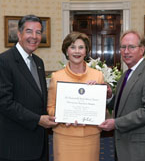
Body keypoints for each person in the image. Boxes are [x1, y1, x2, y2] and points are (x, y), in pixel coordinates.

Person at [0, 15, 57, 161]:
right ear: (19, 34)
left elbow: (40, 98)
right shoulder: (3, 61)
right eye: (29, 31)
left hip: (39, 143)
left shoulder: (38, 62)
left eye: (38, 32)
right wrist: (38, 119)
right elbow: (4, 103)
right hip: (16, 145)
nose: (34, 36)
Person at [99, 30, 145, 161]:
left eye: (131, 47)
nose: (126, 51)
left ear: (142, 49)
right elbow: (122, 105)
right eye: (123, 47)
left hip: (141, 148)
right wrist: (110, 96)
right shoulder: (126, 74)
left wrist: (116, 123)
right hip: (124, 144)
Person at [47, 32, 111, 161]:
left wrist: (101, 94)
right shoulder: (56, 77)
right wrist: (65, 116)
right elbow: (50, 108)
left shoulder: (97, 76)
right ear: (66, 51)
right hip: (64, 136)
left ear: (86, 51)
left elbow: (100, 110)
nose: (77, 51)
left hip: (90, 136)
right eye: (72, 47)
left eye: (81, 47)